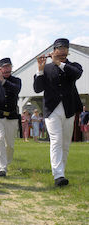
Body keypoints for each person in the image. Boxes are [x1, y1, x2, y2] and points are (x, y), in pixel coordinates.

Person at [34, 38, 83, 187]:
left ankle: (61, 171)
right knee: (56, 140)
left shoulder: (73, 66)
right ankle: (58, 175)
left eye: (65, 50)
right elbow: (37, 88)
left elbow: (76, 74)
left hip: (69, 109)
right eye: (59, 50)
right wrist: (40, 70)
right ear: (53, 51)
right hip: (52, 109)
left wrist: (59, 63)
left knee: (65, 143)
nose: (62, 52)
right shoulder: (46, 68)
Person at [0, 58, 21, 177]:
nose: (7, 69)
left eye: (9, 66)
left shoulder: (16, 81)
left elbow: (16, 89)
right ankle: (1, 167)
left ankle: (6, 162)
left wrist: (3, 80)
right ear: (0, 69)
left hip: (12, 116)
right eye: (4, 67)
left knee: (10, 144)